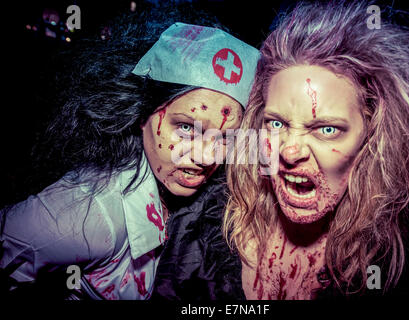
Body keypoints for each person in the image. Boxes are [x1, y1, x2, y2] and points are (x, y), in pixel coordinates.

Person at [0, 5, 259, 300]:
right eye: (187, 128)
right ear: (141, 113)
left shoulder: (213, 202)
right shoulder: (92, 212)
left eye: (225, 138)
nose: (207, 156)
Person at [223, 0, 409, 299]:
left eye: (327, 129)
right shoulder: (207, 223)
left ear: (372, 137)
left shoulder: (399, 270)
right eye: (276, 124)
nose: (290, 152)